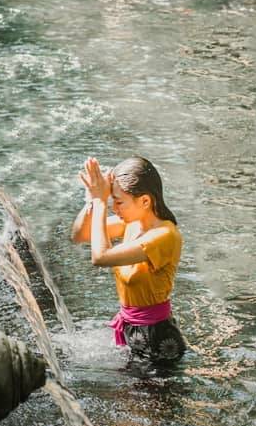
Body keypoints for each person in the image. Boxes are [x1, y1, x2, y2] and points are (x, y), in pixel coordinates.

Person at [70, 155, 186, 366]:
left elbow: (100, 257)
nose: (115, 208)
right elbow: (80, 235)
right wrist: (92, 199)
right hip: (130, 329)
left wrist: (100, 201)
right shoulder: (133, 223)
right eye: (112, 201)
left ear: (144, 201)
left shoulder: (164, 235)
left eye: (119, 201)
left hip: (157, 338)